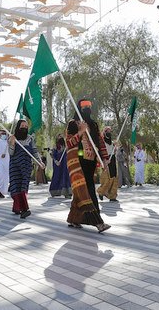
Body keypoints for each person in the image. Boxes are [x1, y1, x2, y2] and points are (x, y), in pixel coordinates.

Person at [64, 100, 110, 233]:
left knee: (81, 191)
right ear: (79, 108)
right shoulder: (73, 124)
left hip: (91, 161)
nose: (87, 109)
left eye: (89, 107)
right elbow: (69, 143)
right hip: (78, 162)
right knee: (87, 190)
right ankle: (98, 222)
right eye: (85, 107)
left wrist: (105, 159)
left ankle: (74, 218)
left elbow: (100, 142)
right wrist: (80, 132)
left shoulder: (93, 124)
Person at [8, 119, 40, 218]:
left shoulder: (30, 139)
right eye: (22, 126)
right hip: (14, 166)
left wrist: (40, 162)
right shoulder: (12, 138)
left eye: (26, 127)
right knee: (16, 187)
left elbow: (34, 151)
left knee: (23, 187)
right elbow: (11, 153)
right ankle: (17, 208)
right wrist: (12, 143)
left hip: (26, 166)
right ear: (18, 127)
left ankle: (24, 209)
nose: (24, 128)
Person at [97, 127, 118, 202]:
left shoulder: (112, 142)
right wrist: (104, 160)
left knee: (114, 177)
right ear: (104, 132)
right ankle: (101, 192)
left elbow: (113, 151)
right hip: (105, 160)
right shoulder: (102, 142)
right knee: (106, 178)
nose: (109, 133)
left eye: (110, 131)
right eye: (107, 131)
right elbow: (99, 153)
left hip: (112, 160)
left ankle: (112, 196)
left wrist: (115, 148)